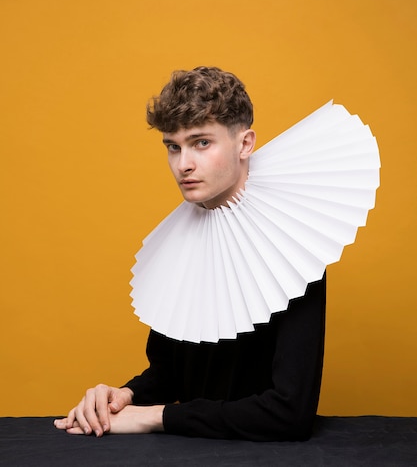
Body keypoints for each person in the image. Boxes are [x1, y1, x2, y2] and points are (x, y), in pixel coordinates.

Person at [54, 66, 326, 441]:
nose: (184, 164)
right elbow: (170, 374)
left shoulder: (294, 247)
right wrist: (125, 396)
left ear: (245, 144)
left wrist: (156, 417)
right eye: (173, 146)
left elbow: (289, 413)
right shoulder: (177, 243)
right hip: (188, 452)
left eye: (201, 143)